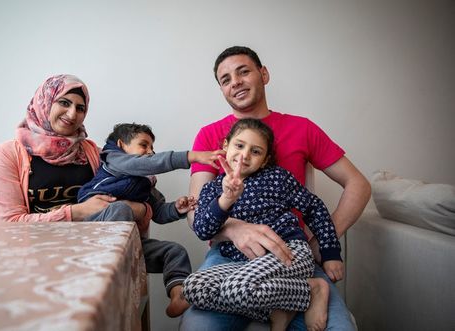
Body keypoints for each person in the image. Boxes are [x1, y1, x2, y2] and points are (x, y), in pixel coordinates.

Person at [180, 46, 371, 331]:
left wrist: (323, 243)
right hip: (227, 253)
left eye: (244, 71)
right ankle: (280, 303)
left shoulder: (302, 129)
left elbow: (358, 184)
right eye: (226, 79)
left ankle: (303, 293)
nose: (236, 82)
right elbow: (198, 214)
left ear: (263, 74)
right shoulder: (209, 135)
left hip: (288, 251)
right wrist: (235, 228)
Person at [183, 119, 342, 331]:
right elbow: (203, 230)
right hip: (240, 263)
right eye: (239, 145)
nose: (245, 155)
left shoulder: (277, 177)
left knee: (236, 288)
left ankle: (314, 290)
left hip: (288, 253)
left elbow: (314, 208)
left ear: (265, 160)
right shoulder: (212, 189)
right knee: (193, 288)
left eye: (255, 151)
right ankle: (290, 301)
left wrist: (330, 252)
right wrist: (225, 200)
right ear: (225, 146)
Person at [77, 122, 224, 317]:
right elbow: (142, 164)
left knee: (175, 251)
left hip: (128, 247)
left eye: (152, 148)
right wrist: (192, 156)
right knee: (121, 208)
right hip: (93, 238)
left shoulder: (144, 184)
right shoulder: (114, 160)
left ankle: (179, 294)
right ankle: (107, 278)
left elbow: (159, 213)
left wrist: (177, 208)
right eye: (144, 145)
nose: (150, 152)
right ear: (121, 145)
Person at [0, 74, 149, 225]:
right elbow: (9, 224)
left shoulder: (94, 153)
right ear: (45, 102)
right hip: (35, 251)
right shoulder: (8, 155)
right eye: (64, 103)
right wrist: (74, 212)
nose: (72, 114)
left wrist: (133, 208)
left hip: (94, 248)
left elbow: (145, 207)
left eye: (80, 108)